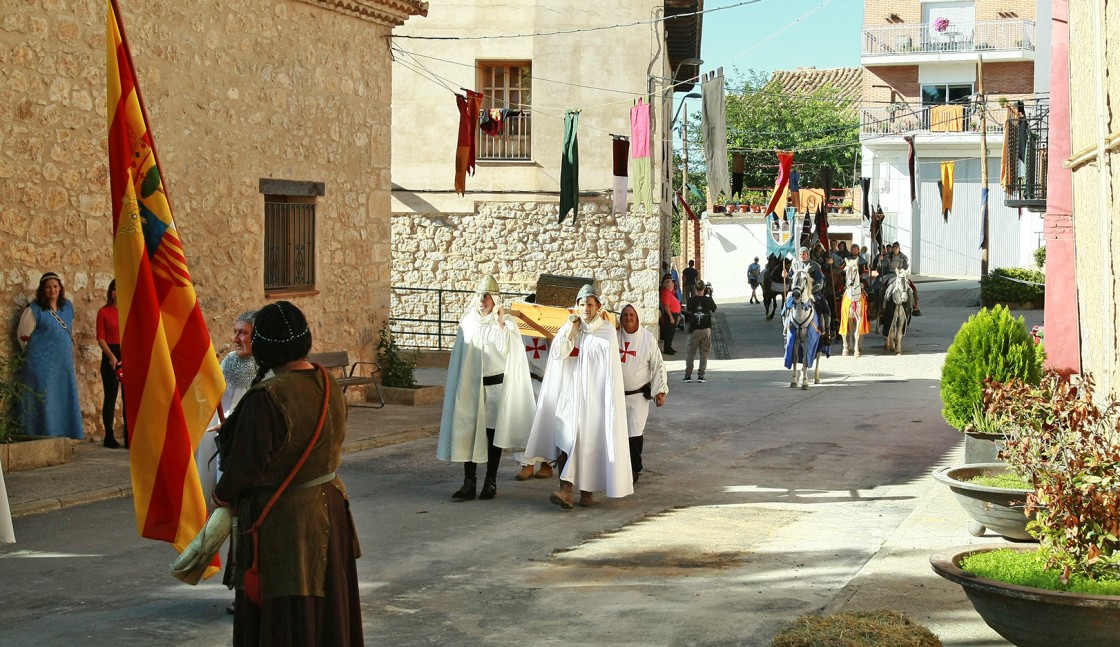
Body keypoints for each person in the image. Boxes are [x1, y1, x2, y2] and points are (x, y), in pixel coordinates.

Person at [213, 301, 363, 647]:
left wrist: (221, 496)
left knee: (290, 616)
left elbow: (245, 469)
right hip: (329, 510)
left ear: (265, 345)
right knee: (326, 612)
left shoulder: (266, 397)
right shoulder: (327, 381)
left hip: (286, 522)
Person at [523, 284, 633, 509]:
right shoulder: (569, 328)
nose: (585, 308)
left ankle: (587, 491)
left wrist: (606, 401)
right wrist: (571, 332)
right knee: (566, 439)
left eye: (589, 304)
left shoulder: (606, 331)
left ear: (598, 307)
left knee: (589, 443)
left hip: (594, 399)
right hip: (570, 396)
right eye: (581, 304)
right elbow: (557, 355)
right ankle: (566, 490)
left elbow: (610, 372)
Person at [438, 274, 536, 501]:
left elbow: (509, 351)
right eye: (480, 295)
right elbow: (460, 358)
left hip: (495, 388)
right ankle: (468, 482)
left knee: (493, 434)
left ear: (495, 298)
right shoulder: (468, 322)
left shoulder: (506, 323)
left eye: (487, 296)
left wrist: (502, 323)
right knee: (468, 431)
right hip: (470, 388)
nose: (483, 300)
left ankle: (490, 481)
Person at [199, 310, 259, 508]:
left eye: (243, 333)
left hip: (242, 437)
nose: (235, 339)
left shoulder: (264, 368)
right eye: (235, 332)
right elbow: (212, 394)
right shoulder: (230, 361)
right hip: (216, 433)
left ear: (257, 335)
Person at [16, 272, 83, 439]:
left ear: (60, 288)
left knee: (62, 397)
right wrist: (37, 355)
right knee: (45, 398)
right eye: (48, 287)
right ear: (42, 290)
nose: (52, 290)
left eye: (55, 286)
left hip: (62, 364)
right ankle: (44, 435)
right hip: (41, 364)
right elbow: (23, 336)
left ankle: (65, 435)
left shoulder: (67, 307)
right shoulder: (34, 310)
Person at [618, 303, 668, 484]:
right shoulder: (614, 337)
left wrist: (660, 391)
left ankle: (634, 468)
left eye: (631, 315)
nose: (628, 318)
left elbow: (658, 365)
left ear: (637, 317)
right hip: (617, 396)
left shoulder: (647, 339)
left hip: (638, 397)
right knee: (617, 433)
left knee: (634, 433)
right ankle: (618, 468)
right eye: (625, 315)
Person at [96, 280, 126, 448]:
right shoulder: (104, 312)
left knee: (128, 397)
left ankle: (130, 435)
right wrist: (111, 356)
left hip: (127, 353)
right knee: (111, 396)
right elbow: (100, 337)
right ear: (111, 292)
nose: (117, 293)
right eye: (115, 289)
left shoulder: (129, 311)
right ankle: (109, 435)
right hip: (110, 354)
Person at [682, 280, 717, 384]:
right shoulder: (708, 300)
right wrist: (710, 296)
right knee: (704, 353)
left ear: (695, 288)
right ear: (704, 289)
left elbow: (688, 310)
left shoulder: (691, 300)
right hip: (706, 329)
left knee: (690, 353)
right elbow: (714, 309)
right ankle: (701, 376)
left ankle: (688, 375)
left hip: (695, 329)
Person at [658, 274, 681, 355]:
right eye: (671, 283)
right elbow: (666, 305)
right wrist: (671, 316)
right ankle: (667, 348)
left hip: (674, 314)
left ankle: (669, 347)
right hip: (669, 315)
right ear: (667, 285)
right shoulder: (666, 293)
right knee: (669, 332)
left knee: (671, 332)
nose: (673, 284)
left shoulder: (670, 293)